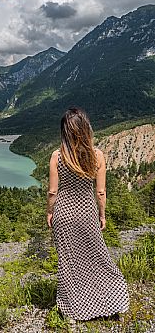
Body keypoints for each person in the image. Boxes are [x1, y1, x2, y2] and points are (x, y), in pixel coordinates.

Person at [46, 107, 130, 323]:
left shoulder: (57, 157)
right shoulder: (97, 156)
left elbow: (52, 192)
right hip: (87, 214)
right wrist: (102, 215)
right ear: (86, 129)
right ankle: (112, 302)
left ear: (65, 131)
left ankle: (72, 312)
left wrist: (49, 212)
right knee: (98, 258)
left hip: (63, 214)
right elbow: (100, 192)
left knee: (69, 262)